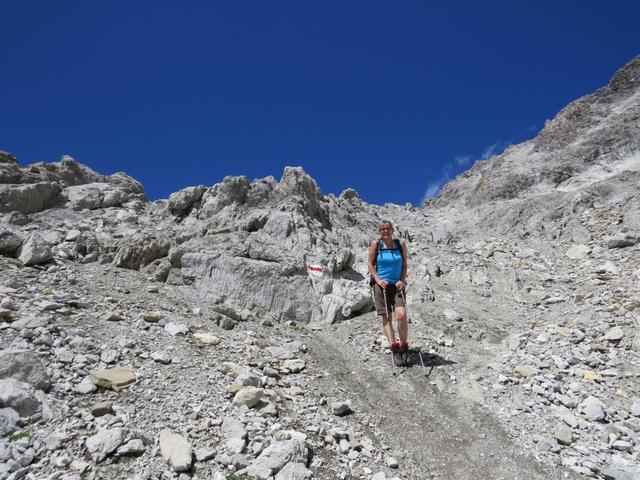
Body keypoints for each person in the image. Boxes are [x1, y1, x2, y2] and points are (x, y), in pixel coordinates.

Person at [368, 220, 409, 366]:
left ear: (392, 230)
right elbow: (370, 264)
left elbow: (404, 264)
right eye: (382, 229)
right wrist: (378, 280)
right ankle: (394, 348)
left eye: (387, 229)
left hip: (397, 286)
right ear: (380, 231)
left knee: (401, 315)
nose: (385, 232)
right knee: (387, 317)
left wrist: (402, 280)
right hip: (381, 287)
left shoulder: (400, 244)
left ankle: (404, 344)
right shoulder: (376, 245)